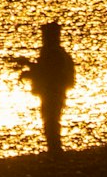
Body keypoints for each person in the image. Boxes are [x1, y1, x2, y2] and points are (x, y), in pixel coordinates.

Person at [15, 20, 78, 154]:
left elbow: (47, 72)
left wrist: (28, 68)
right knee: (51, 118)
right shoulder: (55, 52)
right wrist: (29, 68)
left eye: (45, 35)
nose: (43, 38)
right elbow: (45, 71)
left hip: (52, 91)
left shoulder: (53, 53)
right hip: (55, 90)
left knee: (50, 118)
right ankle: (54, 147)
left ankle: (54, 148)